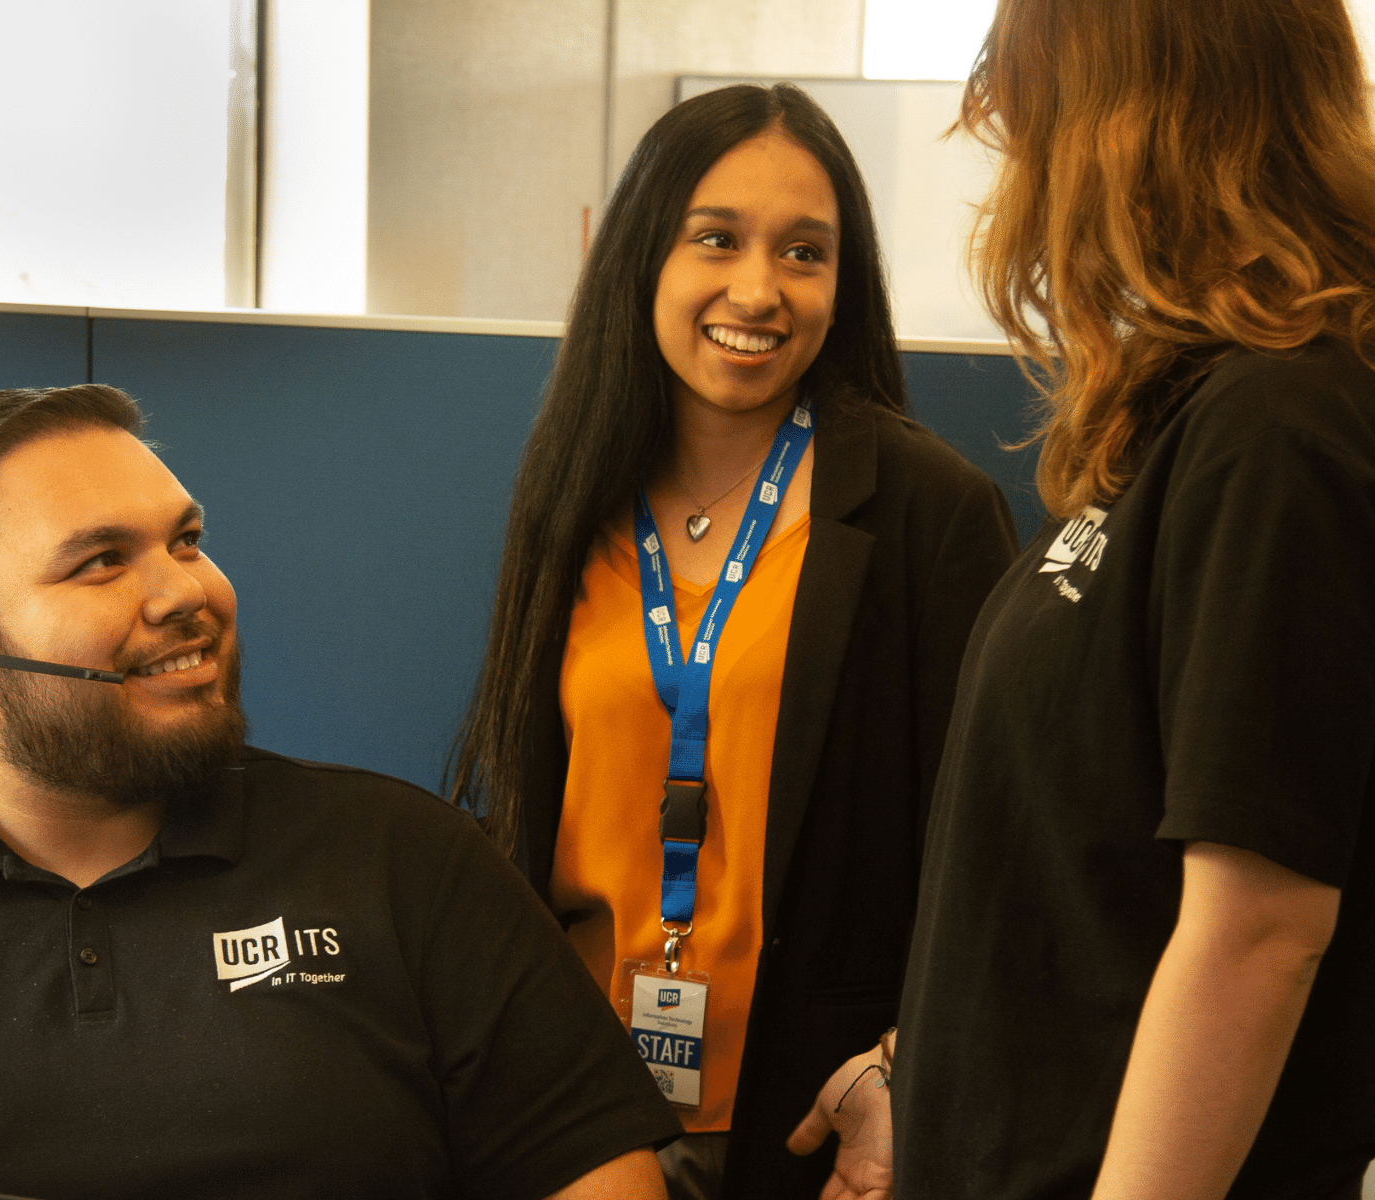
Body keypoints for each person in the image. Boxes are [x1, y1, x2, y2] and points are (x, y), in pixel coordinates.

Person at [0, 384, 683, 1200]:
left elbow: (598, 1177)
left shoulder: (404, 861)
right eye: (102, 562)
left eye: (187, 541)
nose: (187, 593)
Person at [789, 1, 1375, 1197]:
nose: (1020, 183)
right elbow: (1088, 871)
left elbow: (1257, 933)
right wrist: (934, 1085)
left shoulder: (1295, 430)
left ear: (1128, 131)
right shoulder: (1203, 414)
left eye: (1034, 129)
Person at [446, 84, 1017, 1199]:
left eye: (804, 253)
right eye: (717, 240)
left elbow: (995, 851)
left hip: (816, 1123)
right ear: (643, 260)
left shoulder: (922, 511)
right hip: (573, 1112)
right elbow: (528, 810)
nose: (758, 289)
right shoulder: (572, 497)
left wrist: (906, 1077)